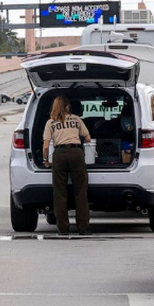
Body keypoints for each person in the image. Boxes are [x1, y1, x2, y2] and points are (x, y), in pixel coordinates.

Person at [42, 95, 92, 235]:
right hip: (76, 153)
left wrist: (46, 160)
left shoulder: (50, 123)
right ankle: (83, 228)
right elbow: (88, 138)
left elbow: (46, 146)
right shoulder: (76, 119)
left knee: (59, 193)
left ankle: (63, 229)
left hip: (59, 155)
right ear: (68, 106)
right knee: (81, 193)